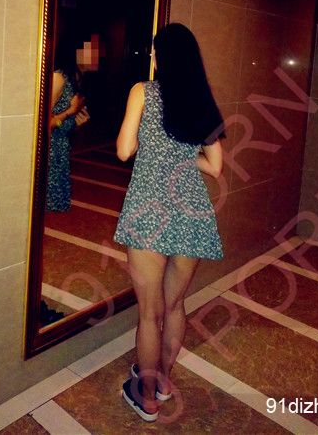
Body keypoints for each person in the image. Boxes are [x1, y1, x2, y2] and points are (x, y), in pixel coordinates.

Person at [114, 22, 225, 422]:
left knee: (149, 314)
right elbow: (215, 166)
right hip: (191, 212)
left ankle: (146, 399)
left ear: (160, 57)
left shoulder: (143, 92)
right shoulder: (202, 100)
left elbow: (124, 150)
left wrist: (155, 149)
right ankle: (161, 381)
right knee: (175, 305)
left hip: (149, 210)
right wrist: (183, 156)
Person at [46, 42, 85, 212]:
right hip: (51, 147)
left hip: (61, 146)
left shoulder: (75, 77)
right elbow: (45, 123)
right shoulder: (58, 77)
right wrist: (70, 112)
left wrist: (77, 120)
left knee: (56, 207)